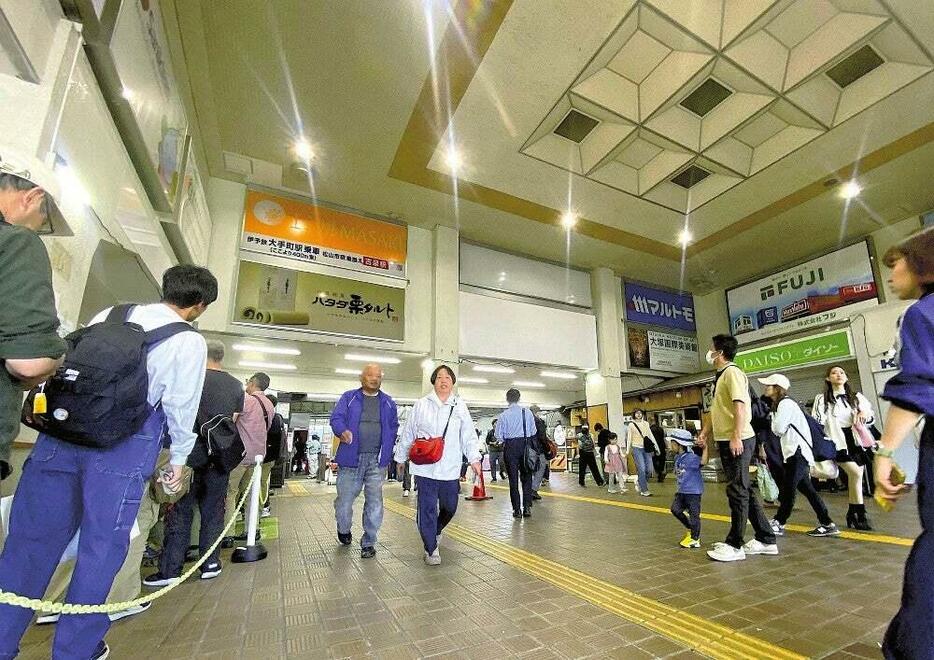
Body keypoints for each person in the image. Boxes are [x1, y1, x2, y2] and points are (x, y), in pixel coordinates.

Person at [0, 264, 216, 660]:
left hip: (60, 436)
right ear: (198, 306)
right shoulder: (187, 340)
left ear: (165, 287)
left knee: (28, 542)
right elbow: (180, 406)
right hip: (124, 445)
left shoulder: (111, 314)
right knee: (101, 550)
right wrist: (180, 460)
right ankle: (76, 649)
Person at [872, 228, 934, 659]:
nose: (892, 272)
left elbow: (918, 388)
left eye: (897, 262)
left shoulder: (923, 314)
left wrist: (885, 452)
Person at [145, 339, 243, 587]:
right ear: (221, 356)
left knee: (178, 511)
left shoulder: (188, 377)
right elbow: (232, 420)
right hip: (218, 457)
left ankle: (170, 570)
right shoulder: (235, 385)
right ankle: (210, 563)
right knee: (214, 511)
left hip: (183, 455)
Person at [0, 148, 69, 481]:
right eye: (44, 220)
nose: (39, 229)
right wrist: (58, 357)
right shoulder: (17, 242)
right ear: (32, 197)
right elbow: (29, 362)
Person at [700, 334, 778, 562]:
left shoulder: (732, 372)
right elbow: (718, 410)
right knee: (743, 488)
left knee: (737, 490)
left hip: (739, 439)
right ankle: (766, 538)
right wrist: (705, 432)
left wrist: (735, 437)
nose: (709, 353)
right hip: (728, 439)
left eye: (711, 349)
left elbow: (740, 407)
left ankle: (735, 544)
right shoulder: (721, 376)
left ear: (719, 353)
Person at [395, 365, 481, 565]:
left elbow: (468, 436)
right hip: (425, 467)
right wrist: (400, 458)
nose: (444, 380)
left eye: (448, 377)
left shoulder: (459, 406)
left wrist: (475, 459)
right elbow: (408, 433)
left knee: (450, 506)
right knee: (426, 508)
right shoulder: (421, 405)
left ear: (452, 382)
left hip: (450, 467)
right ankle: (431, 548)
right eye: (439, 377)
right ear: (433, 381)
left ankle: (436, 529)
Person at [330, 364, 399, 559]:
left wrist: (388, 446)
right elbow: (336, 418)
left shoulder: (388, 403)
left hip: (376, 461)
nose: (374, 378)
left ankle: (369, 542)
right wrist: (341, 430)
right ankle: (343, 529)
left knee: (375, 502)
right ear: (362, 377)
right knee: (344, 502)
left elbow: (393, 426)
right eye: (370, 375)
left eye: (378, 376)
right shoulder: (349, 397)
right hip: (351, 459)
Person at [758, 374, 839, 538]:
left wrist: (773, 419)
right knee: (808, 491)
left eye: (769, 385)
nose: (766, 387)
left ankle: (779, 521)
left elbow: (778, 429)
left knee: (788, 490)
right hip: (796, 452)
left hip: (797, 452)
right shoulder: (784, 404)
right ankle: (827, 523)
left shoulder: (786, 404)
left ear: (777, 388)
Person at [812, 365, 876, 530]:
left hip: (855, 440)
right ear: (828, 378)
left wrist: (864, 416)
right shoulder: (822, 398)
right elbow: (817, 422)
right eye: (834, 373)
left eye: (841, 372)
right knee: (855, 472)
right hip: (836, 441)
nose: (838, 375)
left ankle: (855, 513)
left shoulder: (856, 397)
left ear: (846, 377)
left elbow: (870, 416)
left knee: (857, 476)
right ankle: (858, 513)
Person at [222, 372, 274, 548]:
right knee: (252, 494)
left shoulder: (247, 400)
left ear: (252, 383)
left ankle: (227, 534)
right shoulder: (269, 405)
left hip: (240, 454)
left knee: (230, 493)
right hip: (259, 456)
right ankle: (252, 529)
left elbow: (232, 421)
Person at [496, 388, 537, 518]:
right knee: (527, 478)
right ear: (519, 398)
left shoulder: (503, 415)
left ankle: (516, 510)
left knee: (513, 481)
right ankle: (527, 508)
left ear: (507, 399)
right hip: (525, 446)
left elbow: (499, 436)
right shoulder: (527, 412)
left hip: (510, 447)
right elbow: (533, 431)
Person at [669, 428, 707, 548]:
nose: (671, 445)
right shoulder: (677, 458)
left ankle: (695, 539)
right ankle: (691, 528)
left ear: (679, 445)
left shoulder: (691, 457)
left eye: (672, 443)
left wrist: (705, 448)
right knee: (675, 509)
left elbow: (704, 462)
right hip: (681, 491)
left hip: (693, 492)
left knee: (694, 514)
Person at [260, 394, 286, 517]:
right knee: (263, 482)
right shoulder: (277, 418)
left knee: (262, 483)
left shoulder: (272, 418)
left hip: (265, 457)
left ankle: (264, 507)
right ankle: (263, 506)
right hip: (269, 457)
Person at [626, 409, 656, 496]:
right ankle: (644, 490)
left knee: (649, 469)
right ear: (634, 414)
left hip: (646, 448)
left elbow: (650, 435)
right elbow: (629, 438)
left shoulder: (646, 423)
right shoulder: (631, 425)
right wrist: (627, 451)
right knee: (642, 469)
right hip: (636, 448)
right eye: (637, 413)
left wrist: (656, 447)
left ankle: (639, 481)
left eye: (640, 413)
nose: (638, 415)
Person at [530, 405, 550, 500]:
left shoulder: (524, 422)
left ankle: (527, 490)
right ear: (537, 412)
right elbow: (542, 437)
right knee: (541, 468)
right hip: (538, 450)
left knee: (529, 469)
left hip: (527, 450)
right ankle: (533, 489)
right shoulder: (538, 421)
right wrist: (547, 449)